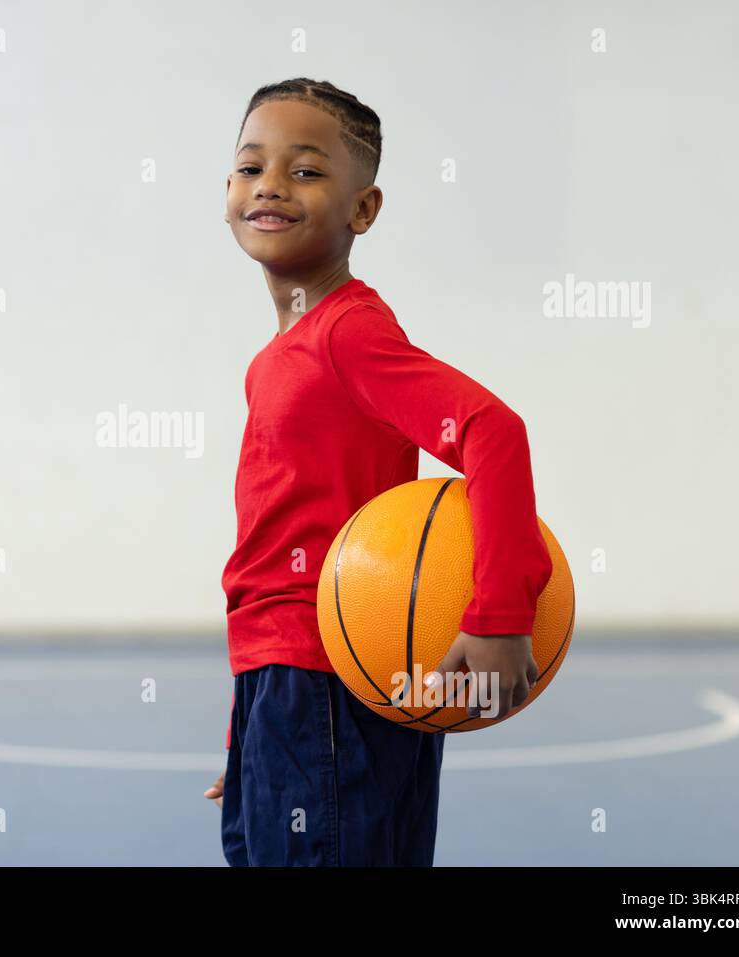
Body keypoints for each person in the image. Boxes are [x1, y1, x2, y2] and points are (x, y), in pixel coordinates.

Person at [205, 78, 554, 866]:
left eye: (306, 171)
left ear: (363, 211)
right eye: (251, 166)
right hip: (283, 687)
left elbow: (492, 430)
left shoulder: (347, 333)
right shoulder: (275, 358)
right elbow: (276, 546)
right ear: (226, 191)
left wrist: (500, 614)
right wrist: (251, 728)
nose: (270, 185)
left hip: (331, 683)